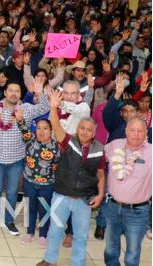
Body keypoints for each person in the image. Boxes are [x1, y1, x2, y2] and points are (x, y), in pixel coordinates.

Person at [38, 91, 106, 266]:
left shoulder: (99, 149)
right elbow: (55, 123)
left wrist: (100, 194)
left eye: (88, 130)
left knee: (81, 235)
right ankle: (49, 260)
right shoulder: (67, 141)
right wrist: (53, 107)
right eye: (82, 128)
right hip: (61, 196)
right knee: (55, 230)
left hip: (84, 200)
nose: (84, 132)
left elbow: (100, 173)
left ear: (94, 133)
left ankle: (78, 263)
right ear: (77, 129)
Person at [0, 78, 49, 235]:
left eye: (17, 91)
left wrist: (40, 93)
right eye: (10, 90)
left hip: (16, 159)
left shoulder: (26, 108)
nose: (14, 94)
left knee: (12, 192)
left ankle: (9, 221)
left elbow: (44, 108)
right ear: (5, 92)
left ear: (20, 94)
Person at [103, 117, 151, 266]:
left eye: (140, 131)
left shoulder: (151, 153)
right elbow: (94, 161)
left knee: (132, 253)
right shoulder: (113, 146)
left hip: (138, 212)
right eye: (132, 130)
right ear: (125, 131)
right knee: (110, 249)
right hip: (112, 208)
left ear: (146, 133)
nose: (136, 134)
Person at [17, 117, 60, 248]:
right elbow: (23, 128)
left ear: (51, 130)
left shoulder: (56, 146)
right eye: (39, 128)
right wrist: (19, 119)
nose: (41, 131)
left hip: (47, 185)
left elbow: (59, 166)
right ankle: (30, 232)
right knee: (31, 208)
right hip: (29, 182)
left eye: (45, 128)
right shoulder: (30, 140)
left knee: (45, 210)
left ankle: (43, 235)